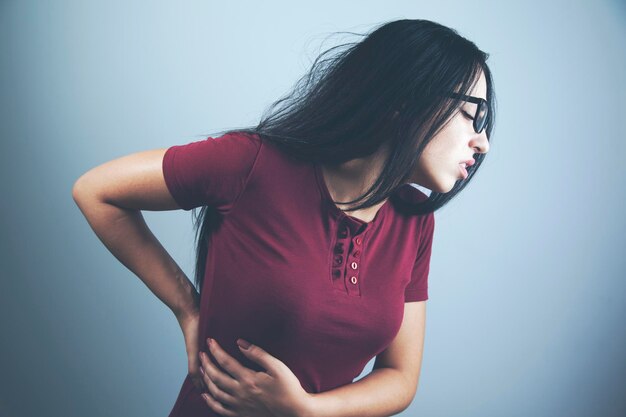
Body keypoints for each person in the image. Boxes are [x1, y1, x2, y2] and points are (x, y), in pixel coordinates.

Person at [72, 18, 494, 417]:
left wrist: (306, 410)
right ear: (406, 100)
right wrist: (187, 308)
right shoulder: (252, 163)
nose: (483, 142)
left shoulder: (414, 220)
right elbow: (97, 191)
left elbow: (400, 378)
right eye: (470, 113)